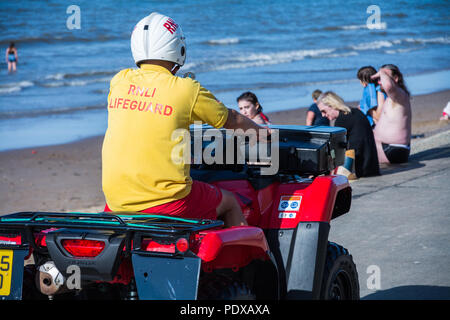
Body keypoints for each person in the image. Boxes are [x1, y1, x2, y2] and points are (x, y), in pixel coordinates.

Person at [102, 12, 267, 227]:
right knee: (229, 201)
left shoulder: (119, 81)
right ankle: (250, 258)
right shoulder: (186, 90)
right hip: (167, 202)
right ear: (178, 48)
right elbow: (233, 120)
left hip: (116, 201)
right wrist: (262, 133)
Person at [317, 91, 380, 178]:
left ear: (331, 105)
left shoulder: (341, 120)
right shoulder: (355, 112)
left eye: (323, 111)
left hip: (360, 170)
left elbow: (334, 151)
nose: (323, 115)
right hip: (371, 167)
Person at [371, 64, 411, 164]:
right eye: (379, 79)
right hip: (388, 147)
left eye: (383, 77)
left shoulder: (400, 94)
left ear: (396, 78)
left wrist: (382, 72)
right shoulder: (391, 98)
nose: (380, 81)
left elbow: (388, 85)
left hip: (392, 149)